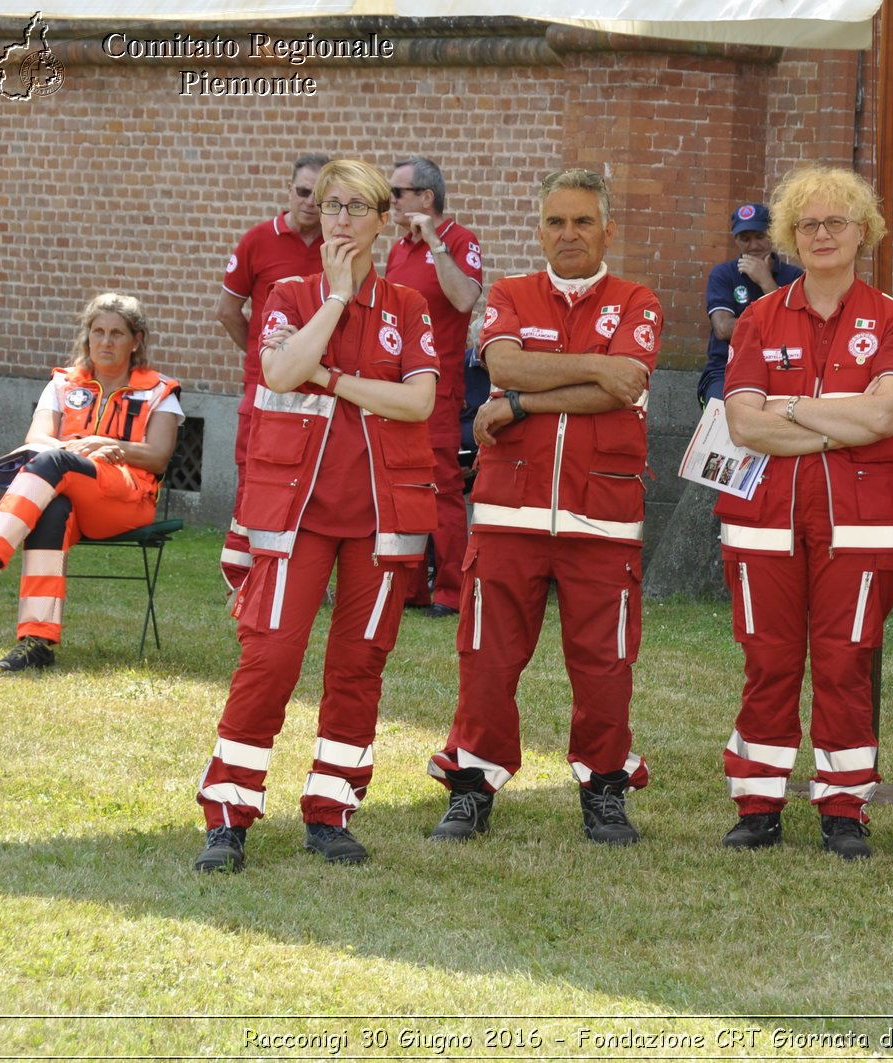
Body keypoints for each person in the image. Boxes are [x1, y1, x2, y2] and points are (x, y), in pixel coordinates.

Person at [194, 160, 438, 873]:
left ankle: (331, 811)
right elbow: (276, 371)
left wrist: (331, 378)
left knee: (360, 664)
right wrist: (333, 301)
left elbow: (418, 403)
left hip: (381, 514)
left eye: (356, 207)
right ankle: (229, 814)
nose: (338, 219)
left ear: (381, 221)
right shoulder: (290, 294)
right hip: (295, 514)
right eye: (330, 206)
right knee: (268, 659)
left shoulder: (410, 306)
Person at [427, 167, 662, 847]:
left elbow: (624, 385)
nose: (569, 234)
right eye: (556, 222)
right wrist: (584, 368)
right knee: (487, 657)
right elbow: (502, 365)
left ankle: (605, 789)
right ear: (539, 229)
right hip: (509, 511)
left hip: (603, 514)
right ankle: (472, 785)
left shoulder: (637, 299)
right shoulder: (508, 293)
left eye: (583, 221)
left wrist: (526, 401)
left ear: (608, 229)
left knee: (605, 664)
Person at [714, 166, 893, 861]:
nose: (823, 234)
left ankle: (843, 807)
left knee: (844, 662)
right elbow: (743, 423)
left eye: (837, 222)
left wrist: (794, 408)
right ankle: (759, 802)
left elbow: (886, 413)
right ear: (788, 237)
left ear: (865, 230)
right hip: (763, 518)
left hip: (859, 523)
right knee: (768, 661)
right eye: (808, 224)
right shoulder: (759, 317)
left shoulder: (892, 318)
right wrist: (844, 425)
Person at [0, 293, 182, 672]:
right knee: (52, 509)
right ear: (87, 337)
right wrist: (79, 455)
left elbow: (158, 456)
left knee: (53, 461)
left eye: (117, 333)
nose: (105, 341)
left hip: (126, 500)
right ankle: (36, 642)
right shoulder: (62, 384)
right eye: (97, 331)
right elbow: (36, 439)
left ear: (136, 340)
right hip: (71, 486)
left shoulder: (158, 391)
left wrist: (109, 445)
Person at [215, 153, 330, 595]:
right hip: (265, 388)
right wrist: (262, 358)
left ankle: (302, 580)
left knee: (314, 484)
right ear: (289, 191)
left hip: (321, 386)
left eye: (320, 197)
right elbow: (227, 311)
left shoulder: (336, 248)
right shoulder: (258, 240)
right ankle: (243, 579)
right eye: (303, 192)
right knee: (256, 479)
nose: (309, 203)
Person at [385, 156, 485, 619]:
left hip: (438, 386)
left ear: (426, 198)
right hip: (393, 386)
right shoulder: (397, 250)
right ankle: (410, 587)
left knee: (442, 486)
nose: (391, 203)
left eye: (397, 194)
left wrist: (435, 244)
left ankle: (450, 590)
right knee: (400, 484)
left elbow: (466, 298)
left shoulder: (460, 241)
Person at [697, 202, 804, 404]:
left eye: (760, 236)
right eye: (745, 239)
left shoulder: (795, 277)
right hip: (727, 368)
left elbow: (796, 328)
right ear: (736, 240)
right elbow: (722, 329)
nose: (754, 245)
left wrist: (766, 282)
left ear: (773, 234)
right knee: (724, 417)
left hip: (781, 368)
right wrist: (772, 325)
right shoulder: (723, 274)